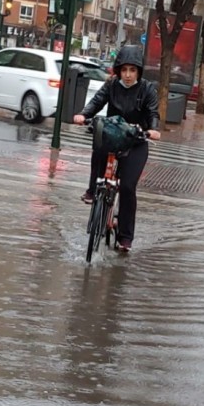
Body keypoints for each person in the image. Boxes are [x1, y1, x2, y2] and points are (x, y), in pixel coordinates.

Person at [71, 45, 161, 253]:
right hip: (113, 136)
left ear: (138, 71)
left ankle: (125, 237)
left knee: (128, 187)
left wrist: (153, 130)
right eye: (124, 70)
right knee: (98, 143)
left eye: (132, 70)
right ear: (118, 70)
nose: (128, 75)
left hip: (136, 142)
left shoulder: (147, 89)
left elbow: (153, 114)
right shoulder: (111, 85)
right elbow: (96, 102)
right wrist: (84, 115)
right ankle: (93, 190)